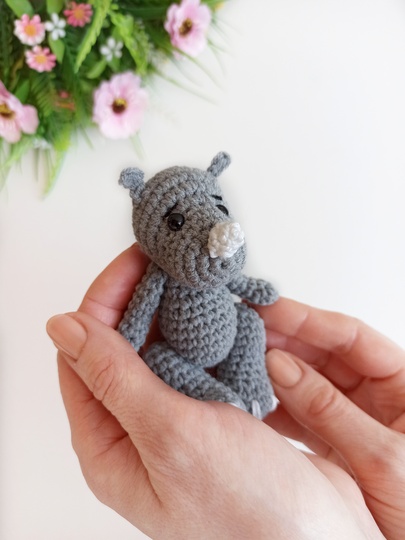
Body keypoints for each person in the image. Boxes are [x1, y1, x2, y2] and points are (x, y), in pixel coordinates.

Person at [46, 244, 405, 539]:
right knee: (157, 358)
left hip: (232, 342)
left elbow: (245, 285)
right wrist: (124, 344)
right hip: (183, 354)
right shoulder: (160, 273)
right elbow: (141, 310)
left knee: (249, 319)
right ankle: (219, 398)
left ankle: (250, 392)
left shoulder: (217, 264)